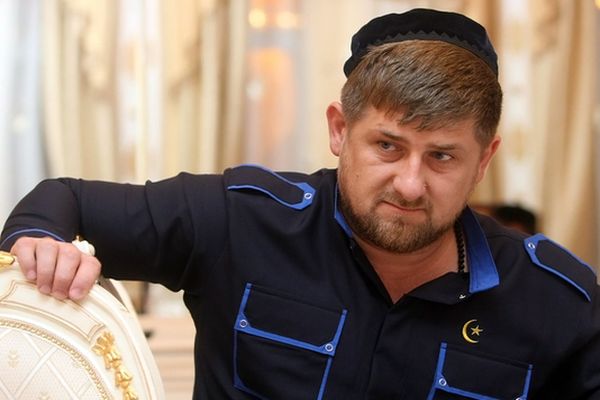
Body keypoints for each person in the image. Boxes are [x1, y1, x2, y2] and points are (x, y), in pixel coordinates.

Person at [1, 8, 599, 399]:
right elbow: (63, 200)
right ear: (339, 130)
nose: (410, 184)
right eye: (387, 146)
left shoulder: (558, 302)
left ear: (484, 160)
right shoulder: (240, 220)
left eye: (442, 156)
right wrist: (44, 244)